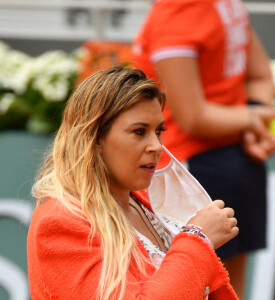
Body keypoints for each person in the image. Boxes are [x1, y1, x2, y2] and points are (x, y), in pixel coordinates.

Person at [27, 66, 240, 300]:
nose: (156, 146)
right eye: (139, 132)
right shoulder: (60, 222)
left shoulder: (145, 199)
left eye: (159, 131)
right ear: (94, 138)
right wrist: (198, 239)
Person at [132, 0, 275, 298]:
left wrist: (253, 121)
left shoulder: (178, 11)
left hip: (194, 172)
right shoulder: (226, 3)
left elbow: (192, 117)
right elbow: (260, 77)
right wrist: (254, 119)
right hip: (239, 163)